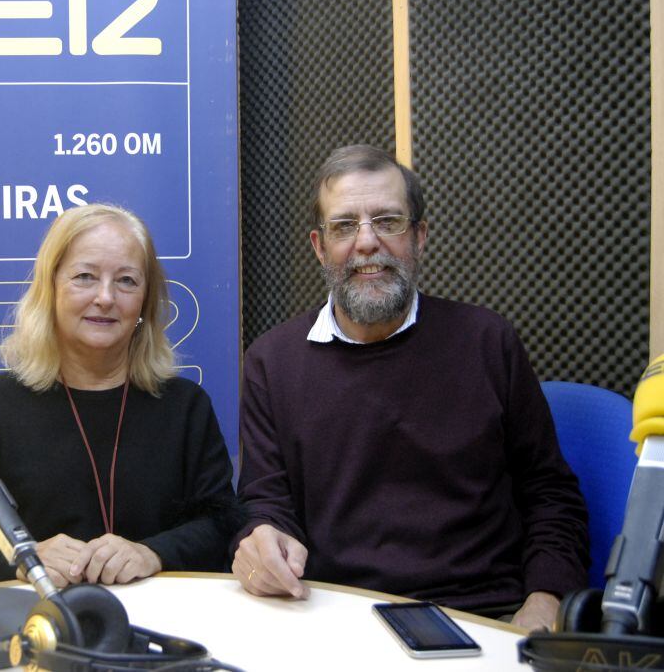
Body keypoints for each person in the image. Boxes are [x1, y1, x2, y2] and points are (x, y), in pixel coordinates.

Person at [231, 145, 589, 631]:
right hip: (334, 616)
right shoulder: (271, 362)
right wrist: (260, 538)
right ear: (319, 246)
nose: (366, 243)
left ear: (419, 236)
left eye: (388, 221)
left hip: (484, 616)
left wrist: (545, 600)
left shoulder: (487, 342)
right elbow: (266, 504)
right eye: (344, 226)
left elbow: (550, 494)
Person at [0, 204, 239, 591]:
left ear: (145, 304)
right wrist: (21, 556)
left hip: (161, 627)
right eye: (85, 276)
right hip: (31, 628)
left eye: (127, 281)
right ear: (50, 288)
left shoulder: (186, 407)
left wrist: (154, 553)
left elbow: (222, 527)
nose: (105, 297)